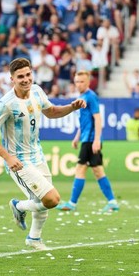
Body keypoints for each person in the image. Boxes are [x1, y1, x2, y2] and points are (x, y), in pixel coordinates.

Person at [0, 58, 86, 251]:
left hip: (37, 156)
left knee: (43, 202)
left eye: (28, 74)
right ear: (12, 79)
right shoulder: (6, 103)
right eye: (20, 76)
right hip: (19, 162)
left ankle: (34, 238)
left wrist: (72, 107)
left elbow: (52, 111)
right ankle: (19, 206)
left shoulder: (37, 91)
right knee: (51, 199)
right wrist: (8, 158)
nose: (25, 79)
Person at [56, 71, 119, 212]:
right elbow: (85, 121)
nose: (79, 84)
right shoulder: (82, 97)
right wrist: (77, 136)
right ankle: (112, 202)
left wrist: (97, 139)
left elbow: (97, 118)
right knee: (98, 171)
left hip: (91, 140)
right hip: (86, 138)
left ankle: (72, 203)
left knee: (80, 169)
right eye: (77, 81)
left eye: (82, 82)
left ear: (88, 82)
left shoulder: (91, 96)